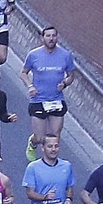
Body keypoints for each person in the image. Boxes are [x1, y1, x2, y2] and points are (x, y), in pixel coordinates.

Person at [23, 25, 76, 155]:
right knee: (41, 138)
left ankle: (50, 161)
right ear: (42, 38)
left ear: (57, 37)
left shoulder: (65, 55)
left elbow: (71, 76)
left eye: (53, 36)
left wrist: (64, 83)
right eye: (48, 36)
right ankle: (33, 142)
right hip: (38, 100)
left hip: (56, 100)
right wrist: (30, 86)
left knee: (55, 138)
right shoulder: (34, 55)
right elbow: (23, 73)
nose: (51, 38)